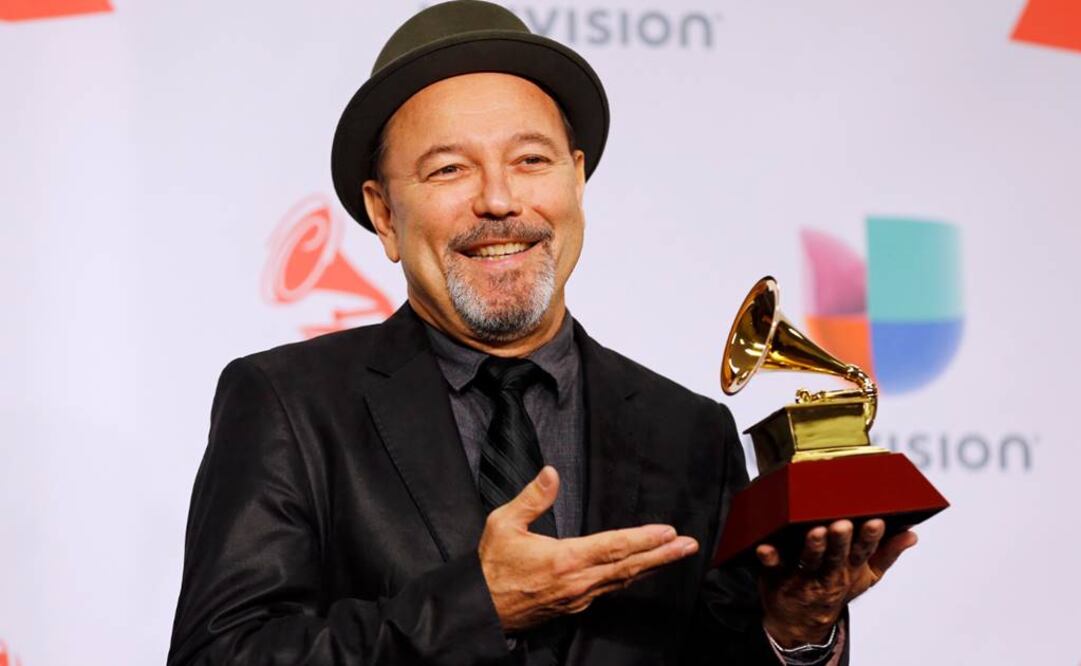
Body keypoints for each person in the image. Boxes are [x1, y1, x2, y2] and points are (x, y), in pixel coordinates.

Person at [167, 2, 917, 664]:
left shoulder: (687, 431)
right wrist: (476, 604)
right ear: (385, 215)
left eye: (530, 161)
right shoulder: (288, 405)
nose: (498, 200)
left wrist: (794, 625)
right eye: (448, 170)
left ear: (575, 179)